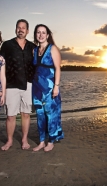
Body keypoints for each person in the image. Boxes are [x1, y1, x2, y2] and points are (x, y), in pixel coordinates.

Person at [0, 19, 36, 150]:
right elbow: (0, 63)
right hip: (11, 84)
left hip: (28, 84)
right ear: (16, 29)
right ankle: (9, 141)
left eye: (23, 28)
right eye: (18, 27)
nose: (21, 30)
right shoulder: (7, 45)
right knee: (10, 116)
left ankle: (24, 140)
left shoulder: (32, 47)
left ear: (27, 31)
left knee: (26, 114)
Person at [32, 24, 64, 152]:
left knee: (51, 114)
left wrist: (56, 86)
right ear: (35, 35)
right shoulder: (34, 50)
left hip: (50, 87)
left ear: (48, 35)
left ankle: (51, 141)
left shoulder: (52, 49)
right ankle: (41, 142)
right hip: (37, 88)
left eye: (43, 32)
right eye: (38, 32)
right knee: (40, 114)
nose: (40, 35)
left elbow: (57, 68)